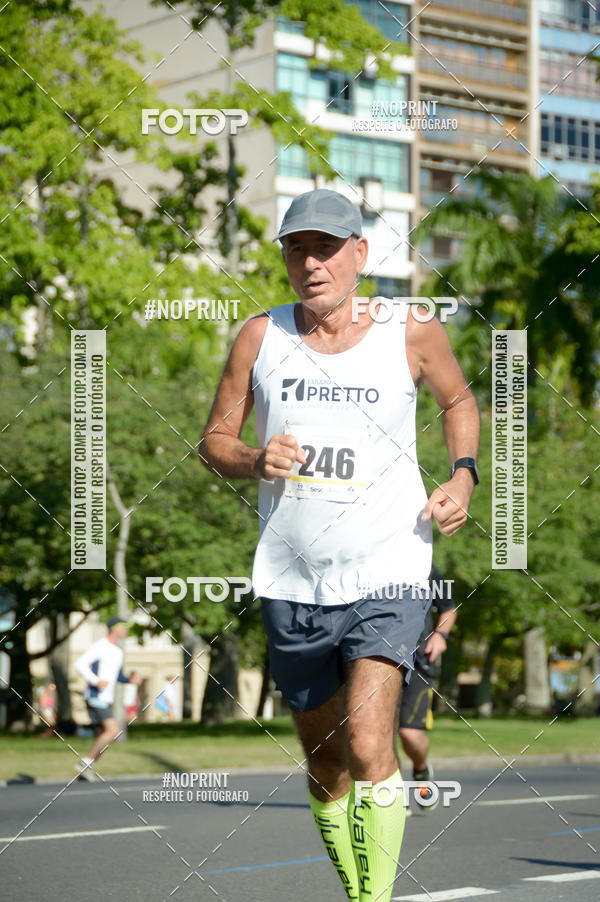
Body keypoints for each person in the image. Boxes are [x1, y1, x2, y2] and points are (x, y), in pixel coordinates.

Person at [200, 188, 479, 901]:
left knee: (366, 743)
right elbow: (213, 442)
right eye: (297, 248)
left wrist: (464, 477)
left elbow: (458, 400)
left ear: (360, 254)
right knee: (327, 762)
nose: (311, 263)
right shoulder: (260, 337)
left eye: (326, 248)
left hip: (391, 567)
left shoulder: (410, 330)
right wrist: (255, 459)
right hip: (293, 580)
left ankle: (371, 899)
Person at [398, 565, 457, 812]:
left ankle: (421, 769)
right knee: (376, 731)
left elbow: (448, 609)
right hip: (377, 659)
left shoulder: (424, 567)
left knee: (409, 733)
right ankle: (392, 795)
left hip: (419, 664)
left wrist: (440, 636)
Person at [73, 616, 141, 781]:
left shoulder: (118, 651)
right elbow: (80, 664)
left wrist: (130, 680)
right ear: (114, 628)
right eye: (124, 627)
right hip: (96, 696)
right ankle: (86, 762)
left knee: (107, 734)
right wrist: (96, 681)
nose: (126, 630)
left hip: (106, 698)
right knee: (113, 730)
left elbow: (118, 676)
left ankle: (88, 767)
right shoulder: (100, 646)